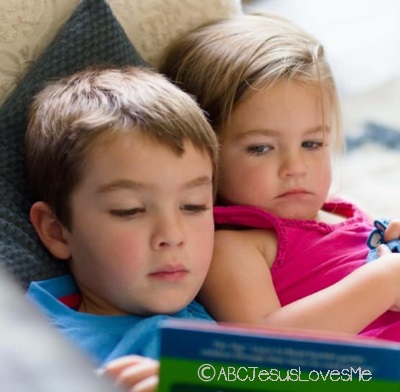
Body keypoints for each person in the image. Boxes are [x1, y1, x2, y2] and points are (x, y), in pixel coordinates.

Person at [159, 13, 400, 342]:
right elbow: (268, 343)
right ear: (207, 155)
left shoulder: (345, 210)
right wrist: (384, 280)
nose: (295, 167)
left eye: (312, 144)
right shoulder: (232, 246)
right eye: (261, 148)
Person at [25, 65, 219, 391]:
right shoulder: (37, 347)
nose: (172, 235)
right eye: (129, 210)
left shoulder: (216, 298)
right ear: (57, 231)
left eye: (193, 205)